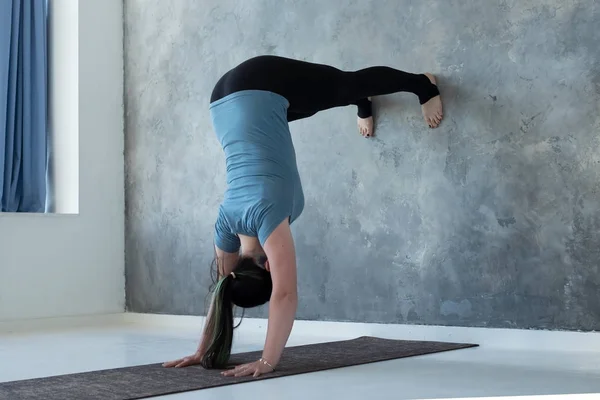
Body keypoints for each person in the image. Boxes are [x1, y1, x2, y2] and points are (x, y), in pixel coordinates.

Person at [162, 55, 443, 377]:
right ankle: (359, 102)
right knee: (306, 102)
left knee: (343, 83)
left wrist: (268, 362)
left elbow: (284, 294)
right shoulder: (226, 222)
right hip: (222, 103)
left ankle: (422, 85)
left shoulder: (270, 220)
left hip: (262, 80)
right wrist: (203, 350)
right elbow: (220, 291)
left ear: (268, 265)